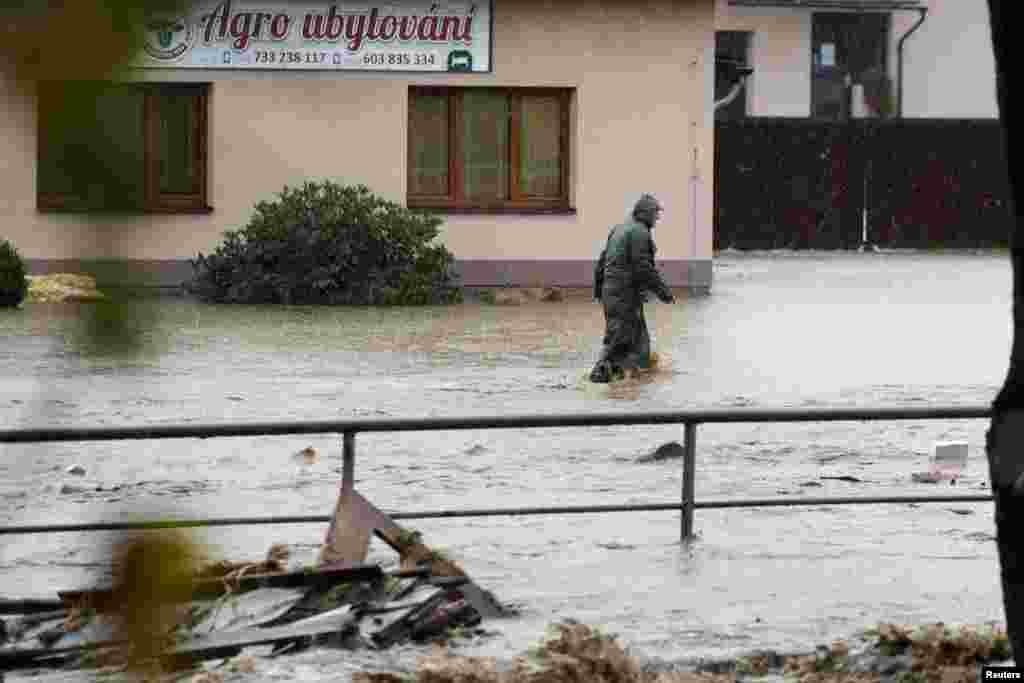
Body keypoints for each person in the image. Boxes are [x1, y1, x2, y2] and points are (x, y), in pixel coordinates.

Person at [590, 193, 675, 383]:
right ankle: (599, 377)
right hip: (624, 296)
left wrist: (599, 292)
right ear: (644, 213)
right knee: (619, 340)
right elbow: (643, 267)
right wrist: (663, 292)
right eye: (655, 213)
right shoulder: (639, 232)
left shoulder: (618, 229)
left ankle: (633, 385)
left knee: (639, 343)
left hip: (613, 294)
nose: (657, 218)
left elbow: (601, 263)